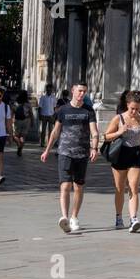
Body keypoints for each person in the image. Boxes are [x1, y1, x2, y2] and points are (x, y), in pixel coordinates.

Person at [40, 82, 98, 234]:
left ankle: (74, 217)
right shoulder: (63, 110)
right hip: (64, 152)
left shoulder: (88, 111)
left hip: (82, 153)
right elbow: (55, 132)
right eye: (79, 91)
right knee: (65, 186)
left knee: (78, 187)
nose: (82, 94)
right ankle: (64, 218)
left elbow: (94, 132)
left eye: (84, 91)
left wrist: (94, 147)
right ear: (73, 91)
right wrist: (47, 150)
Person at [104, 90, 140, 232]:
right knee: (119, 188)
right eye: (132, 108)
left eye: (137, 109)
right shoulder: (118, 118)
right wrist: (119, 132)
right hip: (120, 155)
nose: (134, 112)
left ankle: (134, 218)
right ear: (127, 104)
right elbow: (106, 136)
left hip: (136, 155)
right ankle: (118, 217)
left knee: (134, 187)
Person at [12, 91, 34, 156]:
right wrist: (32, 121)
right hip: (26, 120)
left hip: (17, 121)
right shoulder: (28, 103)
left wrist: (11, 120)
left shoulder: (16, 103)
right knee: (22, 136)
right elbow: (31, 113)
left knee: (15, 136)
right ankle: (20, 149)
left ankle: (19, 145)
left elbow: (13, 112)